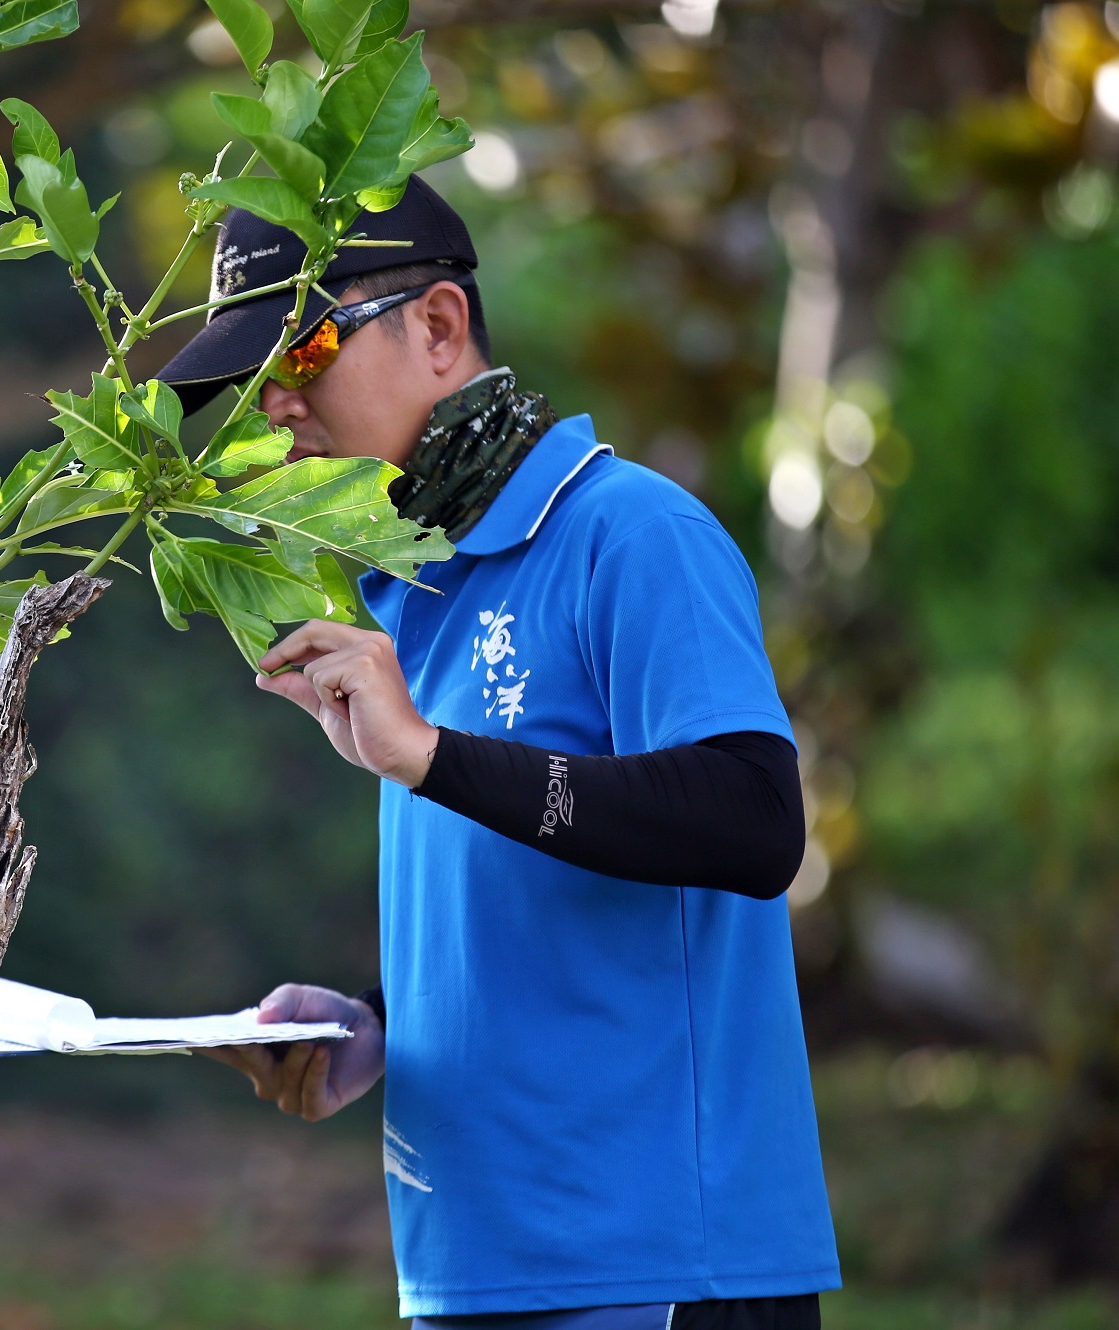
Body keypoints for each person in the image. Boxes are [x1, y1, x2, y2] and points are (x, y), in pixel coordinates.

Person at [156, 177, 840, 1330]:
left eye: (304, 346)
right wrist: (373, 1022)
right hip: (471, 1266)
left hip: (656, 1266)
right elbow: (537, 890)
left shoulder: (631, 533)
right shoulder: (408, 585)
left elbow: (752, 820)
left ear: (436, 324)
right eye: (250, 379)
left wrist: (429, 756)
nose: (275, 404)